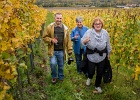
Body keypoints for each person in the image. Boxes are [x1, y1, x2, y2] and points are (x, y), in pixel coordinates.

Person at [81, 17, 111, 93]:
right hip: (91, 55)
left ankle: (97, 85)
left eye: (99, 23)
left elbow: (108, 44)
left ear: (102, 24)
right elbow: (82, 42)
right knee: (91, 71)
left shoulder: (105, 33)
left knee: (100, 72)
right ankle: (89, 77)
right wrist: (85, 41)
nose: (98, 25)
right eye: (96, 24)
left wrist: (109, 53)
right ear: (93, 25)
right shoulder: (88, 32)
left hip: (102, 56)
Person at [42, 13, 72, 84]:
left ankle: (61, 77)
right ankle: (54, 77)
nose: (59, 20)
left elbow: (68, 41)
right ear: (54, 18)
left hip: (61, 51)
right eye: (57, 18)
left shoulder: (65, 29)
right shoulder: (50, 27)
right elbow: (44, 38)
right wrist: (51, 40)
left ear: (62, 19)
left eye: (60, 18)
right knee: (53, 64)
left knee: (61, 65)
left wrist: (69, 50)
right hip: (53, 50)